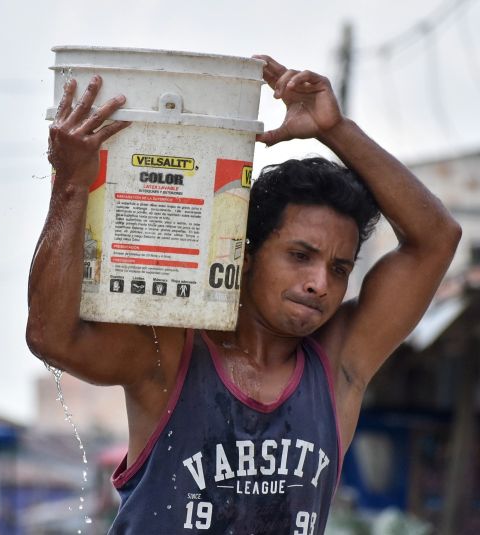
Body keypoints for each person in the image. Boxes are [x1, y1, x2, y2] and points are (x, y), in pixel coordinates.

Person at [26, 54, 461, 534]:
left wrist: (334, 129)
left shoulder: (339, 365)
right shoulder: (171, 353)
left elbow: (437, 238)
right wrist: (71, 184)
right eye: (300, 255)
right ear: (246, 255)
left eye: (339, 268)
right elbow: (51, 337)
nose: (320, 282)